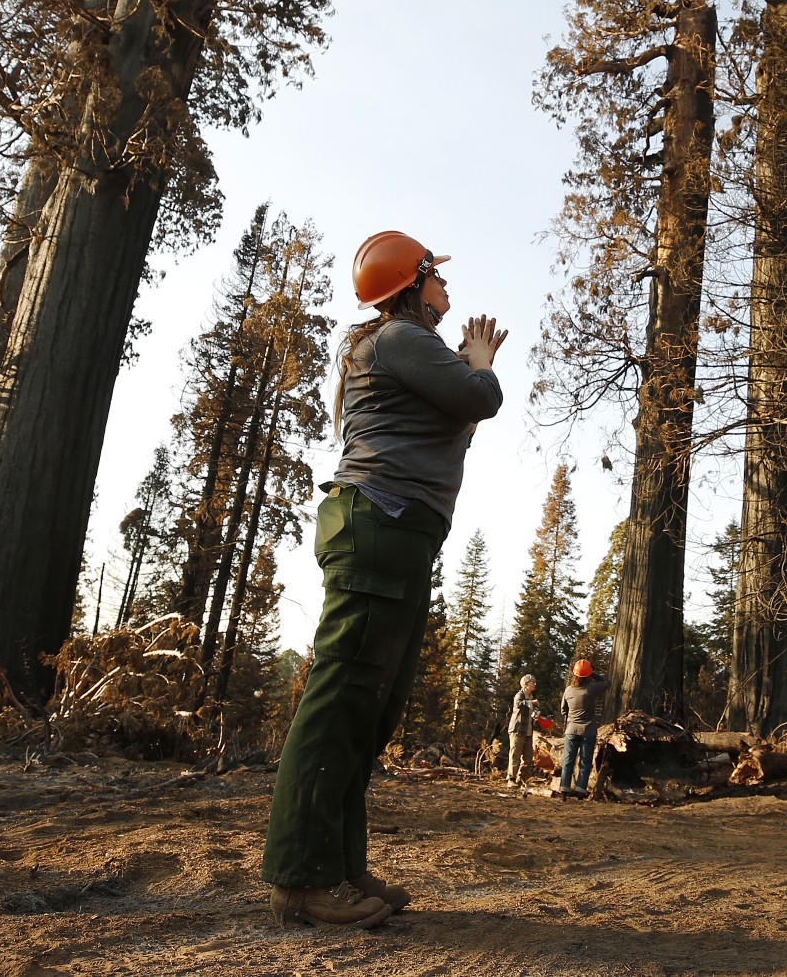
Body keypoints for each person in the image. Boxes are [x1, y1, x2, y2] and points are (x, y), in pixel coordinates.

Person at [261, 230, 508, 929]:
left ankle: (338, 865)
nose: (448, 292)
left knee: (369, 708)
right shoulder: (400, 336)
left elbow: (456, 420)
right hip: (381, 525)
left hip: (394, 531)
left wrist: (463, 374)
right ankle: (302, 879)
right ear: (411, 283)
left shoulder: (401, 347)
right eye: (438, 278)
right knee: (341, 702)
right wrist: (480, 362)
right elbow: (480, 398)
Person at [556, 658, 610, 798]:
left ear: (575, 675)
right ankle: (581, 790)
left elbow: (563, 710)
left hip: (571, 730)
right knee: (585, 762)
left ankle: (564, 789)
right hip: (588, 731)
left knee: (568, 761)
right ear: (587, 676)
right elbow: (607, 683)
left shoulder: (568, 690)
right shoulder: (591, 689)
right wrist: (593, 674)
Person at [505, 673, 551, 784]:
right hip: (517, 730)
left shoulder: (531, 697)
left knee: (528, 756)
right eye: (532, 683)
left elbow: (531, 714)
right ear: (525, 684)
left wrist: (537, 716)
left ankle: (521, 778)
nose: (534, 684)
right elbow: (518, 704)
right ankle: (511, 778)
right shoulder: (519, 695)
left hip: (528, 731)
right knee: (515, 754)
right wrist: (531, 702)